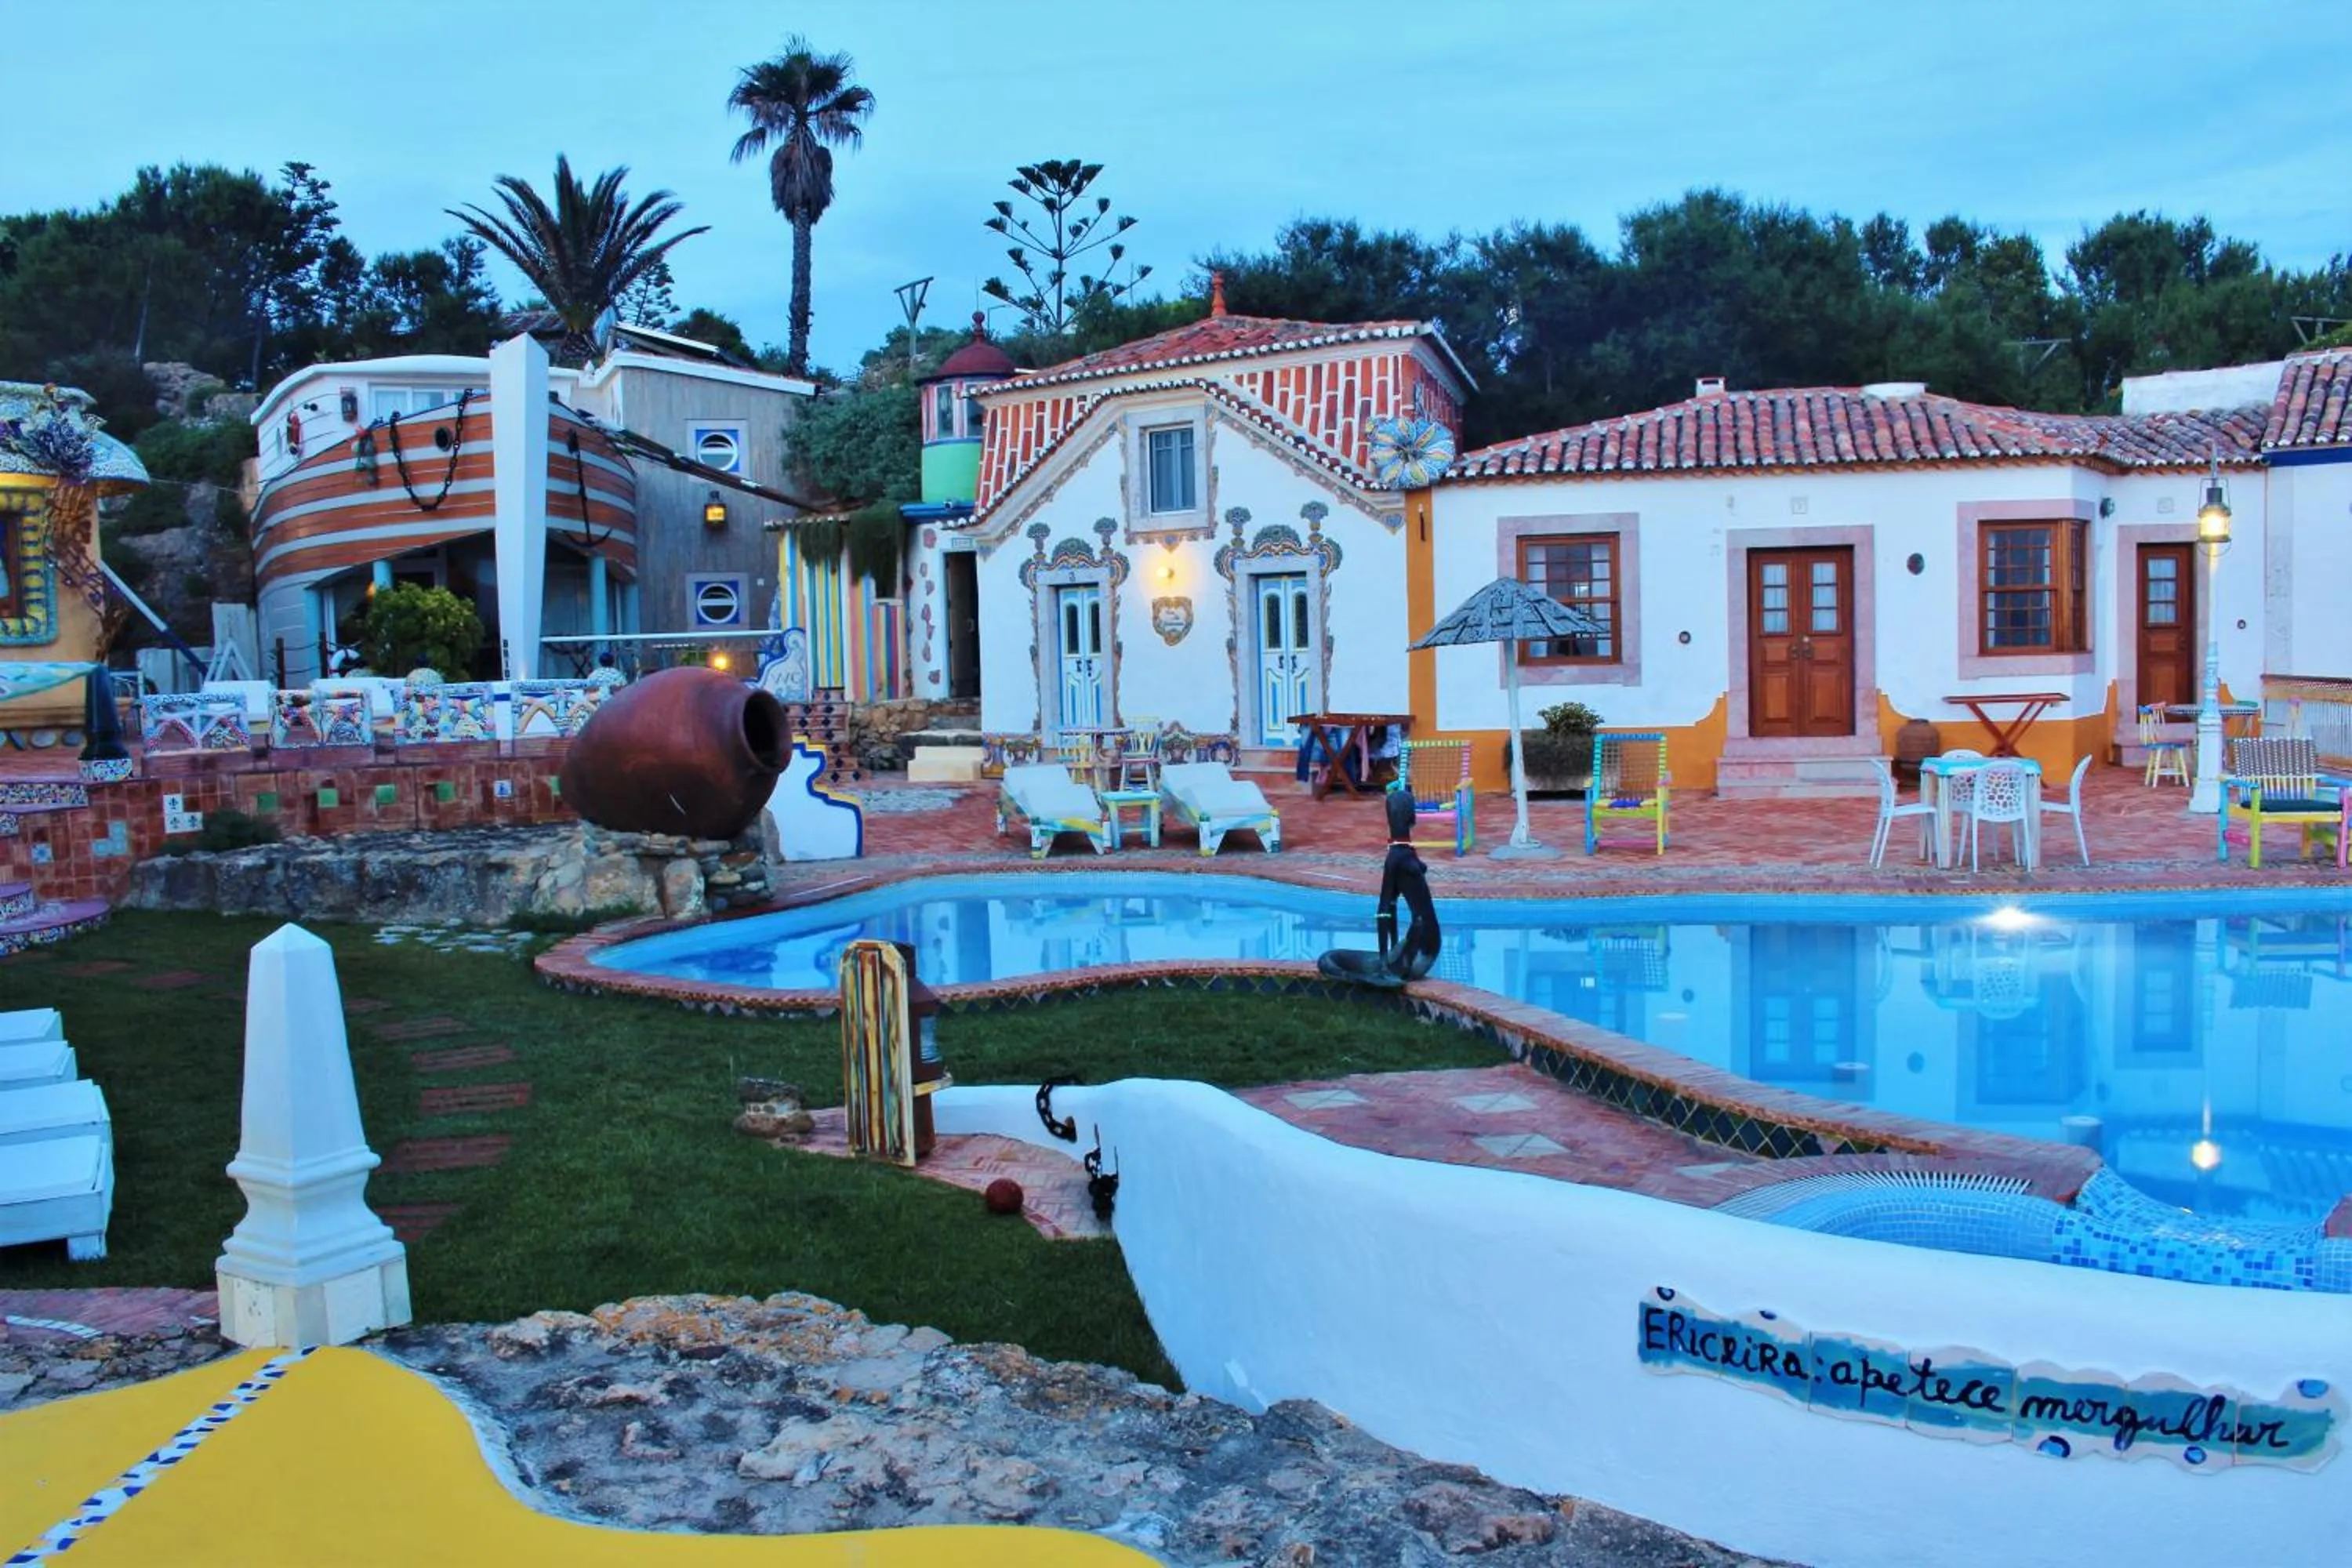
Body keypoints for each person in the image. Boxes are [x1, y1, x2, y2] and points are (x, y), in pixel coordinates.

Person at [1315, 789, 1441, 988]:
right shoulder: (1396, 858)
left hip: (1423, 945)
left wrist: (1390, 951)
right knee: (1389, 954)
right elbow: (1384, 911)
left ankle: (1389, 963)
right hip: (1422, 949)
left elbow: (1387, 909)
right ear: (1412, 818)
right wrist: (1385, 959)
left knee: (1399, 945)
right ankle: (1385, 968)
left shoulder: (1402, 853)